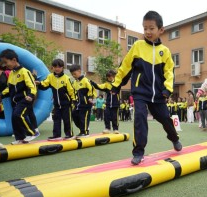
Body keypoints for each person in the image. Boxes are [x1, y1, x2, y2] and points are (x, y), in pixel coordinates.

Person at [113, 10, 182, 165]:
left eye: (151, 28)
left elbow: (169, 73)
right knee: (140, 118)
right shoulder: (137, 46)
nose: (148, 32)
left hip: (158, 95)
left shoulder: (165, 52)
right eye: (145, 28)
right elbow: (125, 66)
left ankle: (174, 138)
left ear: (160, 30)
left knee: (165, 119)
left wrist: (167, 90)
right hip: (140, 93)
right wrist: (117, 84)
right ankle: (138, 152)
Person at [0, 49, 39, 144]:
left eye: (6, 62)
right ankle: (20, 138)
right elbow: (9, 88)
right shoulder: (12, 74)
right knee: (14, 118)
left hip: (25, 99)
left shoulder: (25, 72)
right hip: (15, 101)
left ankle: (32, 132)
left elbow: (32, 85)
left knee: (18, 115)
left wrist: (30, 95)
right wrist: (1, 95)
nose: (5, 65)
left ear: (14, 60)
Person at [36, 59, 76, 140]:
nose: (57, 68)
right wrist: (39, 83)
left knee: (67, 119)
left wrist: (74, 100)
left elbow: (71, 90)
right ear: (52, 68)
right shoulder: (50, 77)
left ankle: (69, 135)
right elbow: (45, 84)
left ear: (62, 68)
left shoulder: (66, 78)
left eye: (59, 67)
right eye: (55, 67)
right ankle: (57, 135)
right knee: (56, 119)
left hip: (66, 103)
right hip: (56, 104)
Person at [90, 70, 121, 134]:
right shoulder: (106, 85)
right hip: (108, 104)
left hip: (115, 104)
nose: (109, 78)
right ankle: (107, 128)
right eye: (108, 77)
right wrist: (92, 82)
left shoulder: (118, 83)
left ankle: (115, 129)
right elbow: (98, 86)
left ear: (113, 76)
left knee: (115, 117)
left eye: (110, 77)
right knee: (106, 116)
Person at [70, 64, 96, 138]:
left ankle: (84, 132)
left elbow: (92, 89)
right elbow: (73, 92)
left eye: (75, 74)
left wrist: (90, 97)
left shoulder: (86, 80)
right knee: (74, 115)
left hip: (86, 103)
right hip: (77, 104)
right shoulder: (74, 82)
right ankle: (84, 128)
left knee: (83, 117)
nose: (74, 76)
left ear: (79, 71)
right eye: (72, 74)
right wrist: (74, 101)